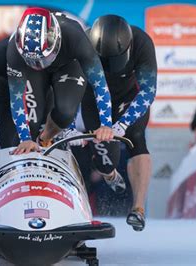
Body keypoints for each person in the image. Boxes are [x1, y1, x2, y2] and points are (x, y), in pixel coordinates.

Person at [77, 15, 157, 231]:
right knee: (106, 161)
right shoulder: (83, 43)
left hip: (128, 97)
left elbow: (148, 91)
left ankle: (138, 209)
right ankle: (110, 175)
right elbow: (88, 86)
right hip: (94, 98)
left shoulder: (142, 43)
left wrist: (122, 124)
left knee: (136, 138)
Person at [6, 7, 114, 155]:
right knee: (31, 123)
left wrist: (106, 124)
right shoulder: (14, 50)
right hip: (31, 72)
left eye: (43, 58)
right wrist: (25, 138)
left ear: (55, 39)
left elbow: (99, 84)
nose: (40, 64)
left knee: (66, 111)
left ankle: (44, 139)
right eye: (34, 60)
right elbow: (17, 97)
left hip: (68, 65)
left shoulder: (76, 37)